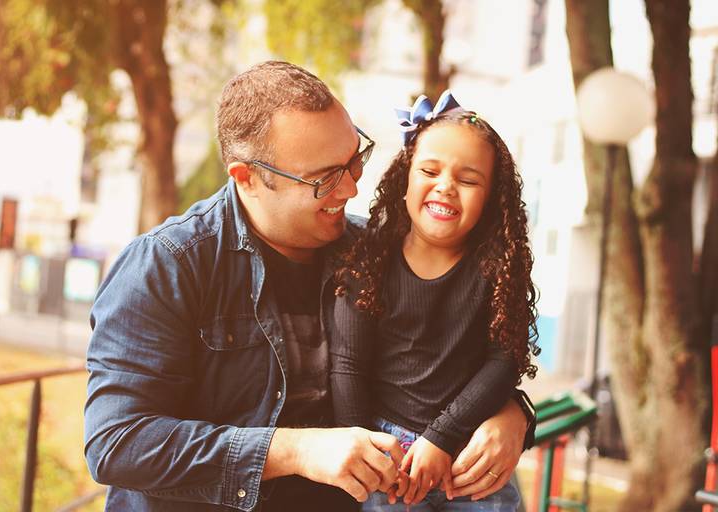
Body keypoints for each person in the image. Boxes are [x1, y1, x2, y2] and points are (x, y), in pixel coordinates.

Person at [83, 61, 536, 512]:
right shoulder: (169, 265)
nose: (351, 190)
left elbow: (451, 359)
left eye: (354, 160)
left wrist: (513, 415)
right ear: (249, 178)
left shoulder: (370, 253)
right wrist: (296, 451)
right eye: (324, 179)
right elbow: (117, 443)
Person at [329, 91, 538, 511]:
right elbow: (347, 364)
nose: (446, 186)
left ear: (492, 197)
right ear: (405, 177)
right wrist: (366, 452)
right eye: (430, 170)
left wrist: (441, 437)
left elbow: (506, 359)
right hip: (390, 460)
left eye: (469, 179)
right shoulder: (368, 260)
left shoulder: (498, 269)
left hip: (472, 458)